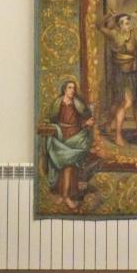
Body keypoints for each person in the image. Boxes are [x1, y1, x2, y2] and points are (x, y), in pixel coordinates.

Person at [97, 12, 137, 145]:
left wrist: (136, 17)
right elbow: (100, 26)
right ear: (119, 25)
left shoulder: (134, 33)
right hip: (122, 73)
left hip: (136, 71)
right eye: (124, 23)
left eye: (128, 22)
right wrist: (109, 16)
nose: (127, 25)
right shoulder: (114, 34)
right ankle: (117, 135)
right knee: (125, 102)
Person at [45, 78, 94, 208]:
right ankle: (62, 194)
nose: (72, 90)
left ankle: (66, 196)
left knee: (69, 166)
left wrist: (87, 123)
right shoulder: (57, 103)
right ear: (64, 89)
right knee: (62, 165)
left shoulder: (77, 104)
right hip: (61, 135)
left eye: (74, 88)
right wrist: (54, 128)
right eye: (70, 88)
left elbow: (82, 120)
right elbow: (52, 119)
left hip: (75, 135)